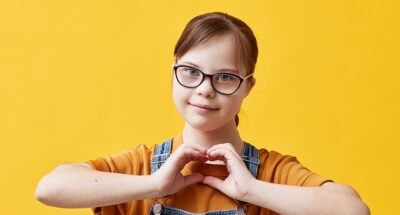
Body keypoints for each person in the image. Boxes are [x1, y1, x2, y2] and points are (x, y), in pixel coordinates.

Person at [35, 12, 370, 215]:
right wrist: (153, 183)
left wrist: (251, 190)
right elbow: (50, 188)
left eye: (225, 77)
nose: (205, 89)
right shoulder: (143, 165)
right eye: (192, 72)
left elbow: (353, 210)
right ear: (174, 73)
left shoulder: (272, 172)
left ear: (247, 87)